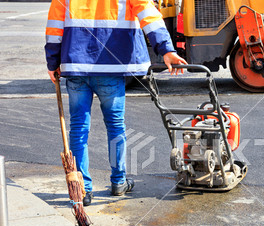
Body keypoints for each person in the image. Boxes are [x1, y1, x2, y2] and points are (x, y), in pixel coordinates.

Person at [45, 0, 187, 206]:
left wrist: (52, 61)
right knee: (115, 126)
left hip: (76, 64)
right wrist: (166, 49)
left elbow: (54, 26)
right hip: (111, 67)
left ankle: (83, 188)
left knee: (78, 128)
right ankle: (119, 181)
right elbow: (148, 13)